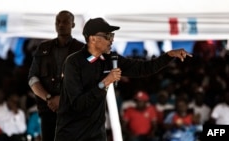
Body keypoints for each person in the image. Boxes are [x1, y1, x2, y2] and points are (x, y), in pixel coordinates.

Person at [54, 17, 192, 141]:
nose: (112, 39)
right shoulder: (74, 63)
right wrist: (105, 82)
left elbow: (143, 68)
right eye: (108, 35)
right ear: (93, 38)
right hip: (71, 133)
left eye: (112, 35)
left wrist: (168, 56)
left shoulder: (110, 59)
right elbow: (78, 104)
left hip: (95, 133)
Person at [28, 10, 84, 141]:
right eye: (58, 22)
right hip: (48, 110)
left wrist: (63, 99)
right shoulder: (43, 48)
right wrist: (48, 98)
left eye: (65, 22)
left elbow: (86, 81)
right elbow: (32, 78)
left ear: (73, 25)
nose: (61, 25)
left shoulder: (81, 49)